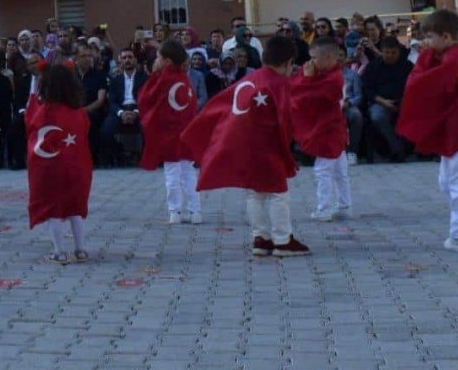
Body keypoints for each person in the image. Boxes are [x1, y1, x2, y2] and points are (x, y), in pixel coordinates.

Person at [184, 35, 308, 258]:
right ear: (289, 62)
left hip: (245, 144)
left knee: (255, 192)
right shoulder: (279, 83)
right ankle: (283, 240)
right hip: (267, 144)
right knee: (278, 193)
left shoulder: (250, 79)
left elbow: (220, 104)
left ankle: (260, 238)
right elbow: (286, 117)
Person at [398, 10, 458, 254]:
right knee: (447, 184)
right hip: (454, 128)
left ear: (446, 36)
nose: (426, 42)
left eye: (430, 37)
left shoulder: (456, 58)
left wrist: (424, 59)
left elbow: (426, 82)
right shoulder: (449, 55)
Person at [26, 62, 94, 263]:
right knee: (74, 208)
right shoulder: (78, 112)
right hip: (76, 166)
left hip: (50, 167)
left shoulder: (45, 111)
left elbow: (31, 125)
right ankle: (81, 249)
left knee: (53, 208)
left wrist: (33, 98)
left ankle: (59, 252)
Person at [136, 38, 201, 225]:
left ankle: (174, 211)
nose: (155, 60)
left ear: (167, 61)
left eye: (158, 57)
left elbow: (145, 98)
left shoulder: (163, 78)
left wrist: (153, 75)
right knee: (188, 172)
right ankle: (195, 211)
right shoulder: (184, 79)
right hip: (186, 130)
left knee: (171, 173)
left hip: (168, 133)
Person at [292, 36, 351, 222]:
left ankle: (323, 208)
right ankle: (344, 205)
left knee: (323, 171)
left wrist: (307, 79)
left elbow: (310, 98)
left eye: (314, 58)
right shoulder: (327, 73)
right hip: (332, 129)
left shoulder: (334, 79)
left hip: (327, 131)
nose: (311, 62)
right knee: (340, 171)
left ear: (329, 58)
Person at [359, 37, 414, 162]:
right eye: (387, 52)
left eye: (393, 52)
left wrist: (404, 101)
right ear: (381, 51)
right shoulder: (372, 67)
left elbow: (414, 86)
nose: (389, 55)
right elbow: (368, 90)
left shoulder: (407, 66)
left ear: (398, 51)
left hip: (405, 102)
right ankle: (397, 147)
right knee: (377, 116)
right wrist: (383, 102)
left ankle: (414, 149)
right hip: (380, 102)